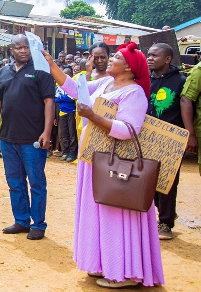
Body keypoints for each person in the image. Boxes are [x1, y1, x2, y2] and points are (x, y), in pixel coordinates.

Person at [42, 42, 164, 288]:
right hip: (95, 159)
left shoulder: (134, 93)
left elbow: (128, 130)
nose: (109, 60)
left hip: (117, 164)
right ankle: (105, 264)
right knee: (99, 214)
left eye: (115, 57)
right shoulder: (107, 83)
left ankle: (126, 273)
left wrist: (92, 116)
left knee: (115, 213)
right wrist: (51, 64)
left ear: (129, 67)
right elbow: (76, 89)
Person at [0, 35, 55, 241]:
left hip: (33, 139)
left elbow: (49, 102)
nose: (23, 50)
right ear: (11, 50)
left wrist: (47, 131)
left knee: (36, 182)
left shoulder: (40, 70)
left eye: (26, 47)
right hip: (8, 138)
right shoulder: (4, 73)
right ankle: (22, 220)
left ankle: (38, 224)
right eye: (19, 47)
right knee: (15, 182)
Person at [147, 43, 191, 240]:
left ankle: (165, 223)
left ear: (167, 59)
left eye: (154, 55)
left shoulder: (181, 81)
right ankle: (166, 211)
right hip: (148, 138)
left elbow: (185, 105)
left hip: (171, 140)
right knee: (149, 181)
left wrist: (189, 133)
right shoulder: (144, 81)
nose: (149, 58)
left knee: (168, 181)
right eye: (148, 55)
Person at [55, 67, 77, 162]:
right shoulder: (59, 86)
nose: (65, 76)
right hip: (62, 112)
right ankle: (65, 151)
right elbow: (56, 99)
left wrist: (62, 98)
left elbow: (72, 98)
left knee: (72, 133)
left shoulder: (73, 85)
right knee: (63, 133)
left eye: (67, 74)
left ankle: (72, 153)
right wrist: (65, 98)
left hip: (71, 111)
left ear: (71, 75)